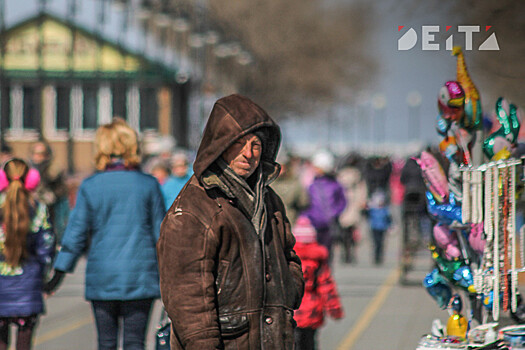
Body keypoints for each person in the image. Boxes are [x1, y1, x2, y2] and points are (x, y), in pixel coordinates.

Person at [157, 94, 304, 349]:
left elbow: (288, 255)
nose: (248, 153)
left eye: (256, 144)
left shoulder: (270, 200)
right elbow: (186, 296)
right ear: (219, 145)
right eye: (238, 142)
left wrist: (289, 289)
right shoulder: (193, 209)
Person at [45, 118, 166, 350]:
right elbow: (161, 234)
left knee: (106, 343)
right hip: (141, 275)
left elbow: (76, 233)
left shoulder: (91, 185)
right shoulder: (148, 185)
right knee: (135, 342)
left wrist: (56, 276)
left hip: (103, 276)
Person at [0, 158, 55, 350]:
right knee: (24, 344)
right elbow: (46, 249)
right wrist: (46, 279)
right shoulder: (38, 209)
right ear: (30, 179)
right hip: (28, 285)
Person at [292, 215, 343, 350]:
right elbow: (326, 287)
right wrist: (335, 310)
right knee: (310, 343)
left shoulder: (289, 261)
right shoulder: (318, 261)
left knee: (294, 343)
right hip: (312, 311)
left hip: (294, 312)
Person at [304, 150, 347, 262]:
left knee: (327, 254)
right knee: (314, 254)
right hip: (313, 225)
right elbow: (305, 203)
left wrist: (334, 213)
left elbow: (342, 202)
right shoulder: (311, 185)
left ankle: (325, 277)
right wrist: (308, 217)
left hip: (329, 225)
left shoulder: (335, 185)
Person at [30, 140, 70, 245]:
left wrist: (49, 195)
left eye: (40, 154)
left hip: (54, 209)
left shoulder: (53, 170)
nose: (37, 157)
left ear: (47, 156)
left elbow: (60, 190)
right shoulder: (31, 171)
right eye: (35, 153)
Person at [337, 153, 367, 264]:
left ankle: (348, 253)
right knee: (347, 232)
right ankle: (347, 253)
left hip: (350, 205)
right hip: (347, 205)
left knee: (348, 232)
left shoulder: (351, 175)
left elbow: (361, 189)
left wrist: (361, 201)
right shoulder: (354, 175)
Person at [272, 152, 310, 226]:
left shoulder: (295, 183)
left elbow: (303, 202)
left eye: (282, 166)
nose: (280, 169)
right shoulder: (268, 183)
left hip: (290, 221)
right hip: (272, 222)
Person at [365, 190, 392, 265]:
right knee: (376, 243)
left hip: (382, 228)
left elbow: (389, 218)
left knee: (381, 243)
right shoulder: (373, 209)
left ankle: (380, 257)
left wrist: (390, 226)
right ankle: (375, 257)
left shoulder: (385, 209)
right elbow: (366, 213)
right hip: (374, 228)